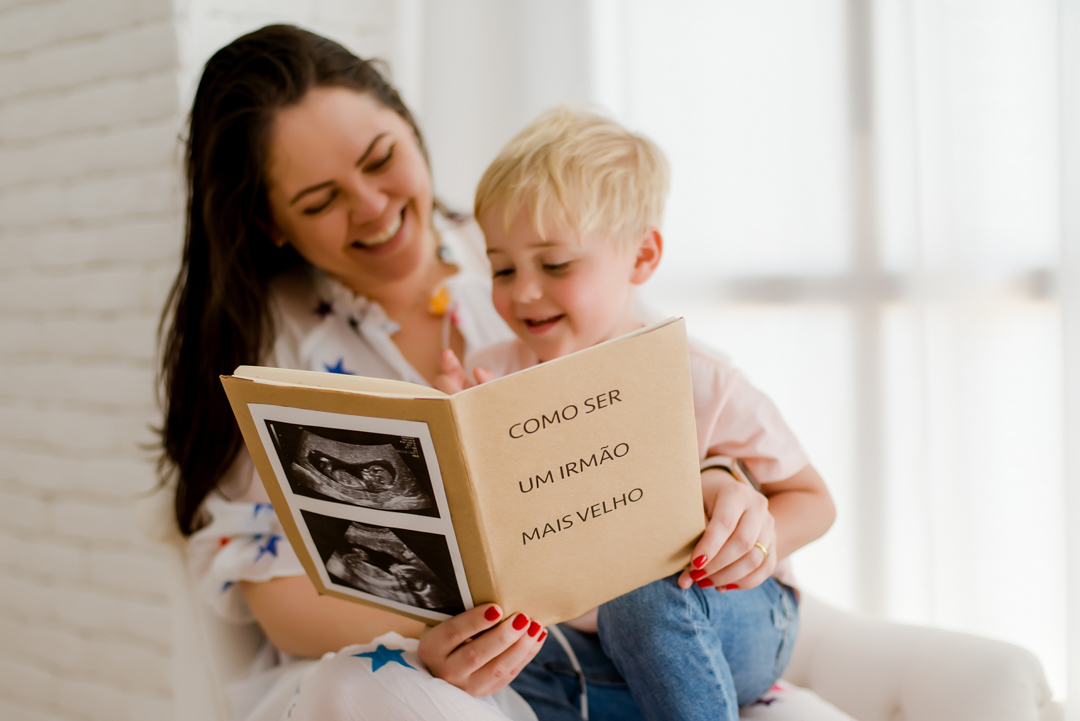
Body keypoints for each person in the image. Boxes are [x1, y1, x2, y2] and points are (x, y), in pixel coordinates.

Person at [158, 24, 547, 721]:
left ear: (409, 125)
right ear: (272, 224)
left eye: (381, 159)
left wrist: (725, 479)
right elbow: (279, 602)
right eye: (320, 202)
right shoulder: (265, 346)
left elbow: (677, 400)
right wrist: (430, 634)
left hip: (576, 637)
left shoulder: (532, 241)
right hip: (374, 667)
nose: (371, 208)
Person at [435, 107, 837, 721]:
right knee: (462, 639)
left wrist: (751, 543)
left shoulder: (697, 375)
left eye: (555, 264)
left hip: (722, 615)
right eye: (502, 268)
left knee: (639, 595)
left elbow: (815, 500)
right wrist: (458, 445)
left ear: (642, 256)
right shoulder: (491, 373)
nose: (523, 292)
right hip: (589, 646)